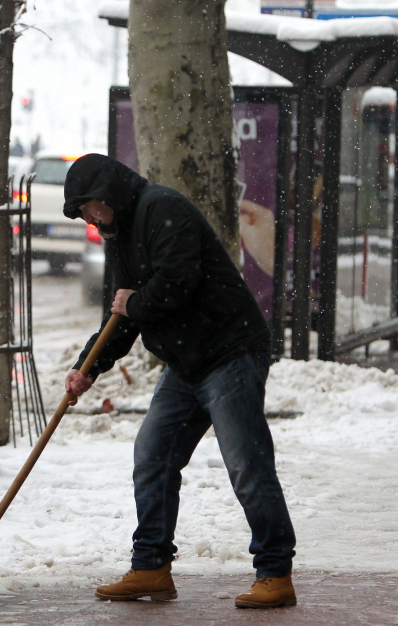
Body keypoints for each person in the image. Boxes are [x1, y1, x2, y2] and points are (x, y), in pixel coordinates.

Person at [62, 154, 297, 609]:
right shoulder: (121, 235)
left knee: (247, 464)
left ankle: (275, 572)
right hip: (184, 362)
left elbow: (176, 284)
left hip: (229, 351)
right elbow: (123, 314)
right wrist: (87, 367)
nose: (88, 218)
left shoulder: (162, 209)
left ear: (106, 194)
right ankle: (150, 566)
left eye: (87, 207)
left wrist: (133, 305)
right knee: (153, 456)